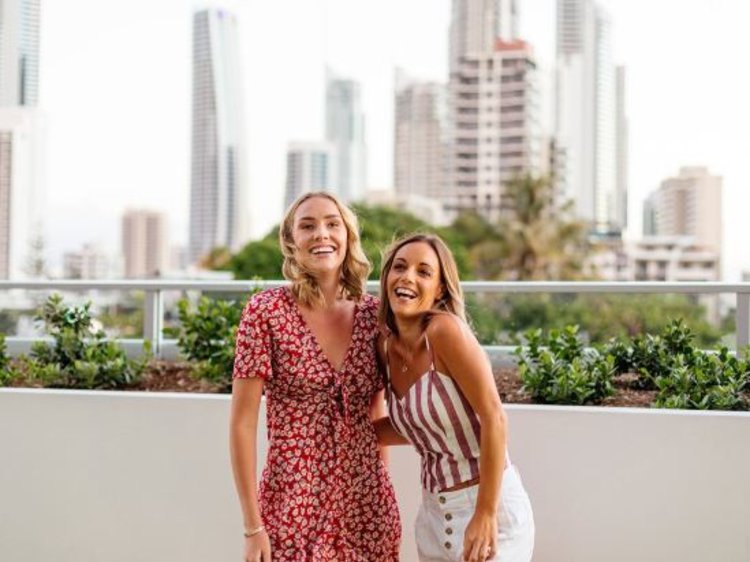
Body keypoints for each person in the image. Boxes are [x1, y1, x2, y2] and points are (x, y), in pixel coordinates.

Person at [229, 192, 401, 562]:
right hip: (291, 507)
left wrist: (381, 498)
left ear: (347, 236)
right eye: (307, 226)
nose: (321, 233)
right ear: (291, 241)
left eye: (332, 224)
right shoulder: (265, 312)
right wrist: (252, 526)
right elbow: (243, 424)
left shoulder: (374, 317)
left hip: (365, 508)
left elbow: (375, 414)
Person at [374, 233, 534, 562]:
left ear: (440, 290)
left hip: (487, 510)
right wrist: (338, 430)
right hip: (433, 519)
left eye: (423, 271)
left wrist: (486, 513)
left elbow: (494, 417)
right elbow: (416, 425)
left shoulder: (444, 331)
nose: (407, 277)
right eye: (399, 267)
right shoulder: (385, 348)